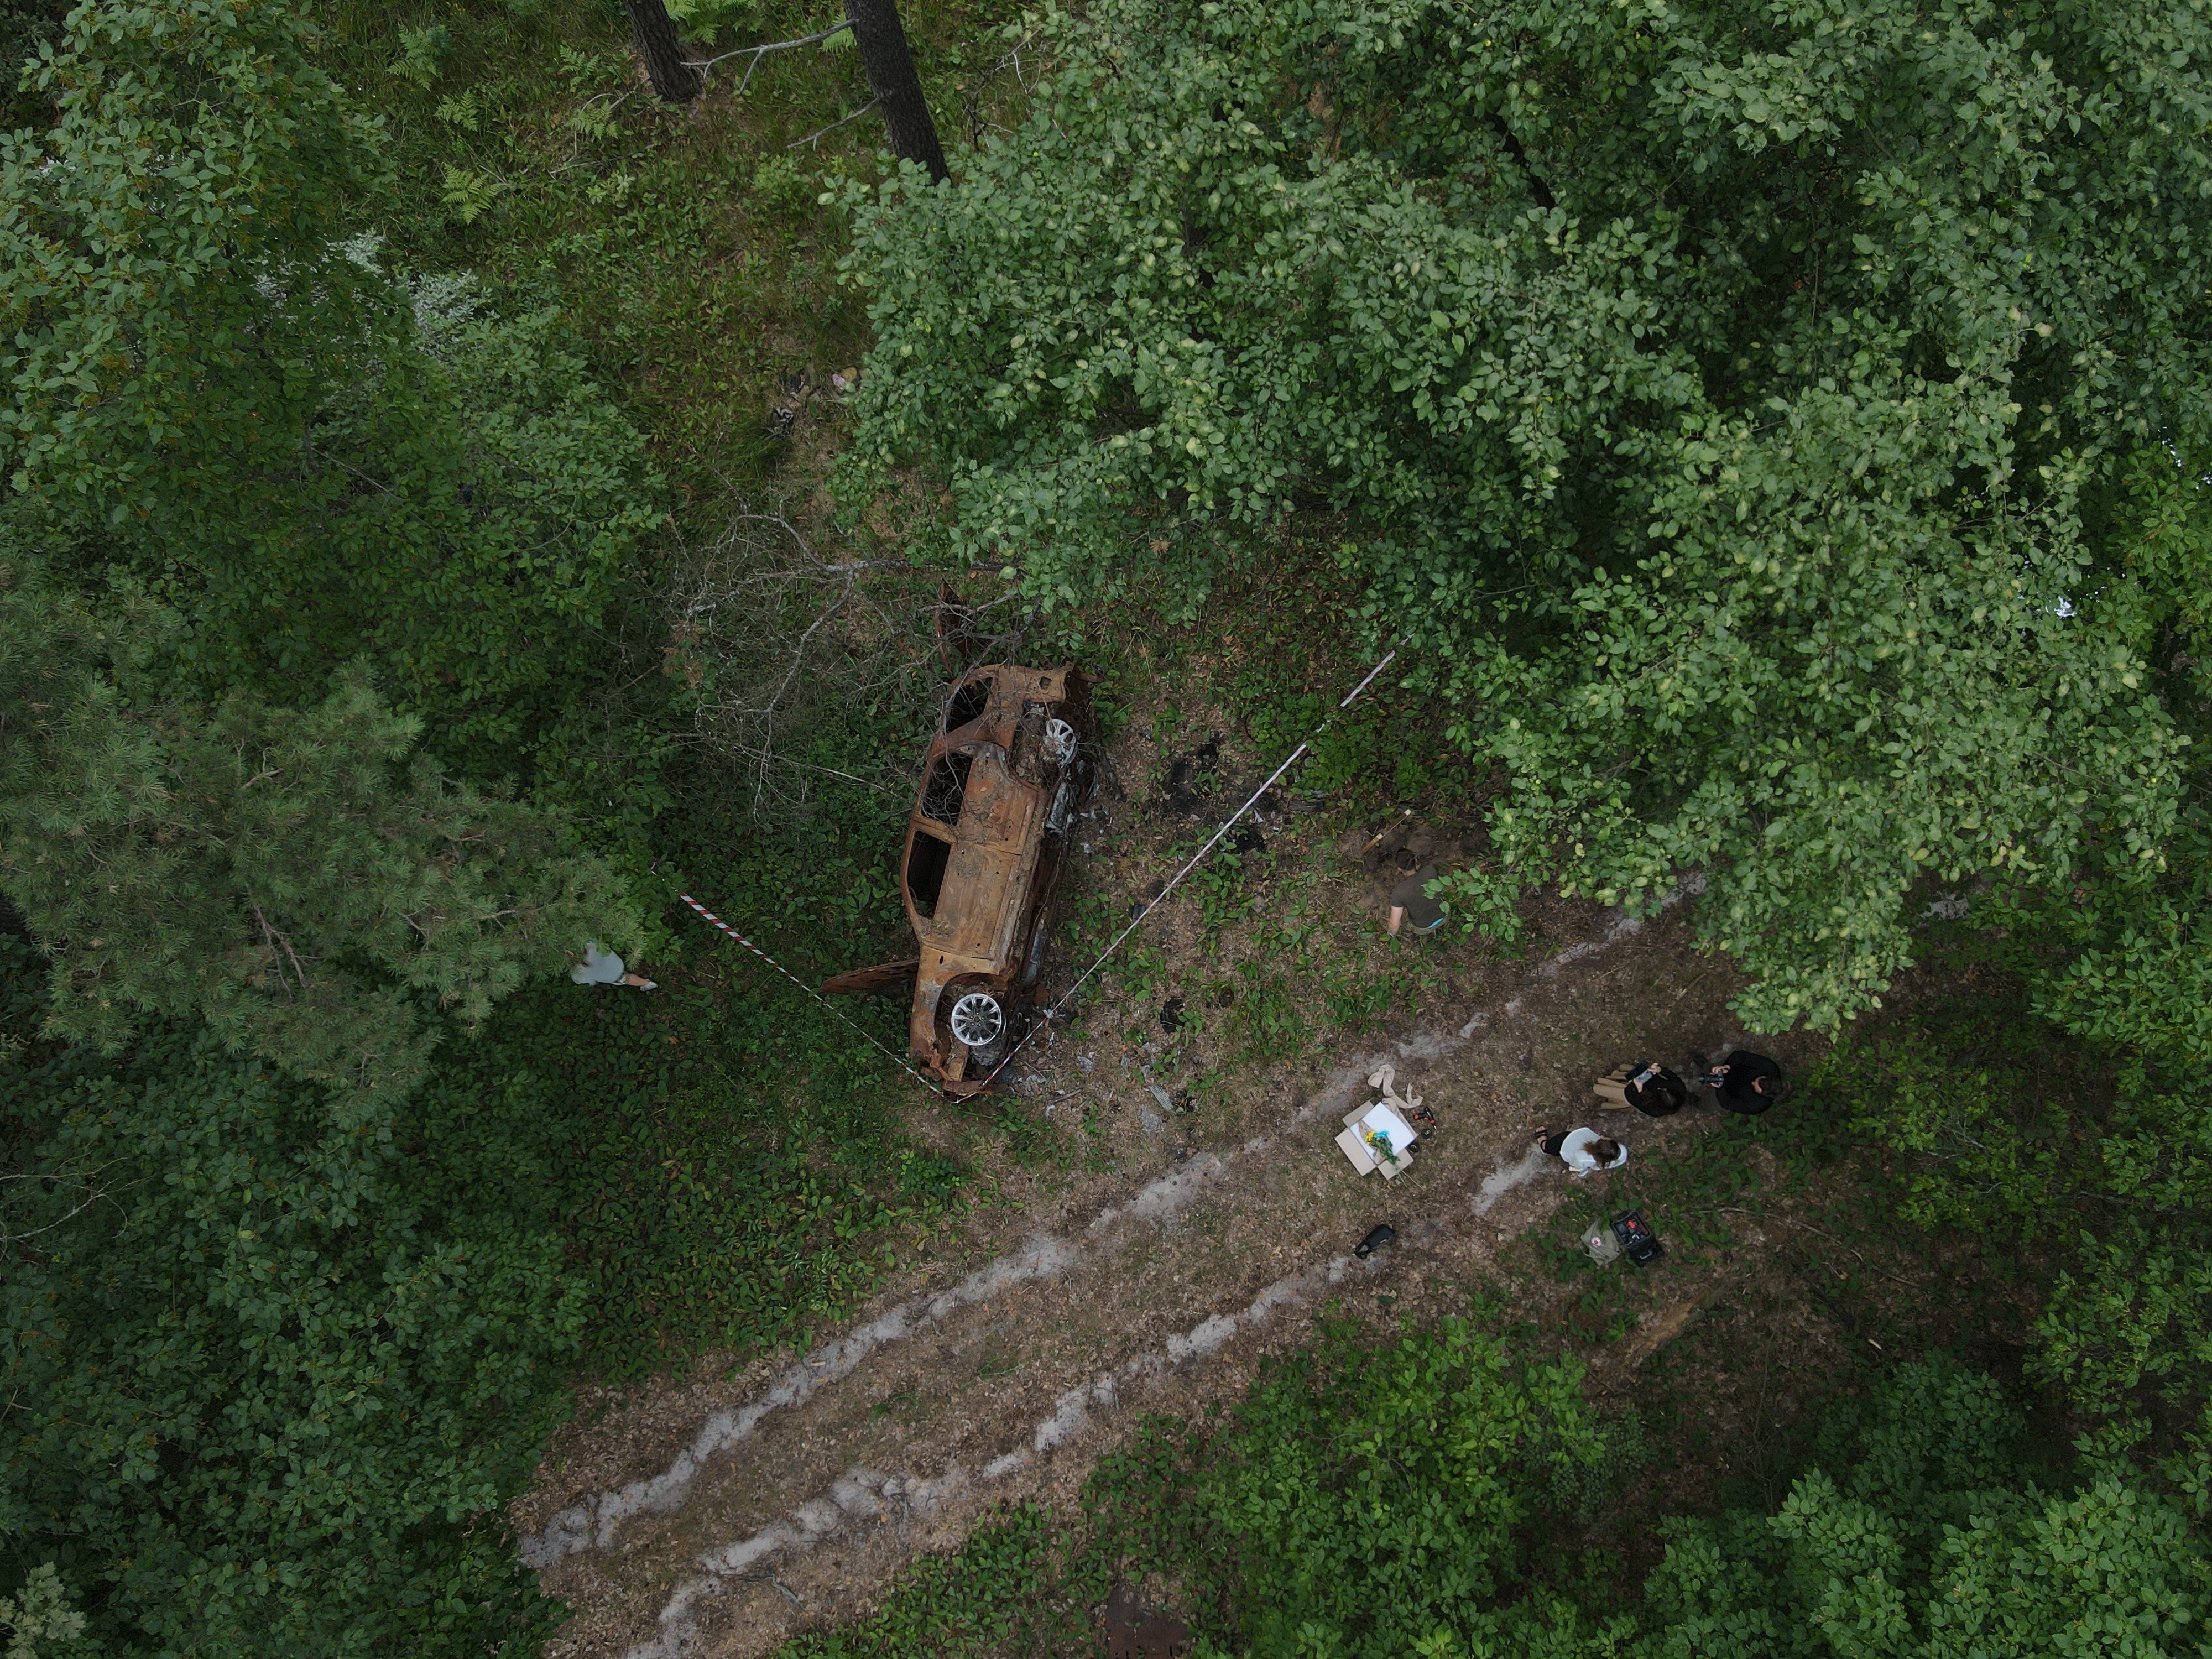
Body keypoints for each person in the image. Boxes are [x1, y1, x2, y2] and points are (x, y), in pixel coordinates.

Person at [1694, 1049, 1782, 1114]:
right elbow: (1741, 1056)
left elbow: (1727, 1103)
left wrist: (1720, 1088)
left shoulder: (1755, 1106)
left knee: (1710, 1104)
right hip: (1731, 1070)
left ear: (1762, 1093)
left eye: (1755, 1086)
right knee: (1713, 1067)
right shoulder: (1769, 1067)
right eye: (1757, 1079)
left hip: (1727, 1093)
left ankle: (1697, 1103)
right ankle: (1706, 1066)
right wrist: (1727, 1066)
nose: (1752, 1082)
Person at [1593, 1061, 1689, 1117]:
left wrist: (1640, 1090)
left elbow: (1639, 1103)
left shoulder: (1655, 1110)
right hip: (1646, 1078)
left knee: (1607, 1090)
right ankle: (1615, 1076)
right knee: (1630, 1074)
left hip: (1631, 1094)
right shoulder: (1679, 1088)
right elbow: (1671, 1075)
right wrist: (1660, 1070)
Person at [1386, 849, 1446, 937]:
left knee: (1403, 916)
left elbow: (1395, 924)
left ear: (1399, 869)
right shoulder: (1430, 870)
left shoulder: (1399, 893)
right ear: (1416, 860)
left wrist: (1390, 934)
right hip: (1444, 916)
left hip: (1424, 928)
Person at [1532, 1126, 1629, 1177]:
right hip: (1572, 1140)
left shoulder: (1583, 1158)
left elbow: (1575, 1162)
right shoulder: (1619, 1153)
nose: (1604, 1137)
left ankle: (1543, 1145)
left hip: (1563, 1145)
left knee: (1550, 1147)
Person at [572, 942, 655, 991]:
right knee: (626, 977)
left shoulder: (578, 968)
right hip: (616, 963)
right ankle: (647, 983)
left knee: (626, 979)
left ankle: (647, 984)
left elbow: (586, 982)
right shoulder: (587, 942)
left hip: (612, 975)